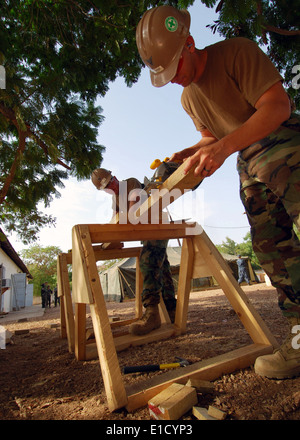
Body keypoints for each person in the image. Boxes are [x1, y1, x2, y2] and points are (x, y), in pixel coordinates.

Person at [136, 5, 300, 379]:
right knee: (274, 252)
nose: (173, 79)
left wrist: (222, 148)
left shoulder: (237, 52)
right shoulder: (187, 98)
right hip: (248, 161)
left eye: (175, 67)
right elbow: (213, 136)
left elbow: (277, 106)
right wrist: (192, 151)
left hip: (285, 145)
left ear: (190, 44)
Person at [91, 168, 177, 335]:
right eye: (107, 187)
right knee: (162, 267)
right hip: (146, 230)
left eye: (111, 183)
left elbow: (132, 212)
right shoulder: (115, 198)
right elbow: (115, 221)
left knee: (148, 261)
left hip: (157, 223)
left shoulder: (130, 183)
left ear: (114, 177)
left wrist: (119, 223)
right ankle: (172, 311)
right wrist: (109, 238)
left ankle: (152, 313)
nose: (111, 188)